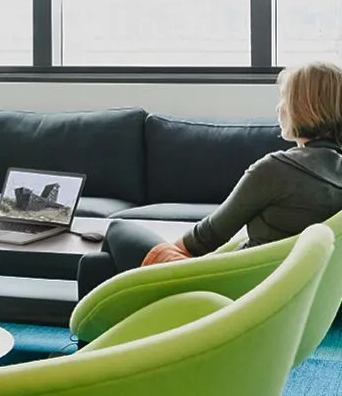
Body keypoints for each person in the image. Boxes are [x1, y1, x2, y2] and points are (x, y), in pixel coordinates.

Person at [77, 60, 342, 298]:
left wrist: (163, 256)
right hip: (279, 291)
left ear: (302, 107)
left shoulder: (276, 169)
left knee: (119, 230)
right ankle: (103, 343)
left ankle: (106, 342)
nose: (279, 106)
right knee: (96, 266)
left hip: (228, 288)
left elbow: (205, 238)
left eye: (285, 98)